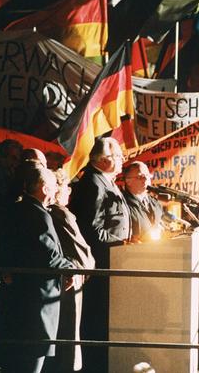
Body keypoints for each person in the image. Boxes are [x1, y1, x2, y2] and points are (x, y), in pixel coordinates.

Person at [0, 164, 76, 373]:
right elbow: (48, 255)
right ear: (44, 188)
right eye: (53, 187)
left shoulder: (17, 210)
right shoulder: (38, 214)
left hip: (21, 304)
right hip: (37, 305)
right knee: (32, 364)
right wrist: (71, 268)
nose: (56, 191)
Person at [71, 137, 130, 372]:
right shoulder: (94, 184)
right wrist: (121, 242)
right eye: (118, 157)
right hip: (101, 263)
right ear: (105, 160)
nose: (122, 160)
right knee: (96, 318)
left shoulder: (108, 181)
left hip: (113, 260)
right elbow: (91, 228)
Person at [49, 169, 95, 372]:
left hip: (63, 278)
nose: (69, 190)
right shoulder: (61, 214)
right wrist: (88, 265)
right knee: (68, 332)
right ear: (57, 189)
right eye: (66, 186)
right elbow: (83, 254)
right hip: (69, 279)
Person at [122, 161, 168, 242]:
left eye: (147, 175)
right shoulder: (122, 204)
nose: (146, 179)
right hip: (136, 252)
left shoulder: (155, 203)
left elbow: (161, 225)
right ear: (128, 181)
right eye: (140, 177)